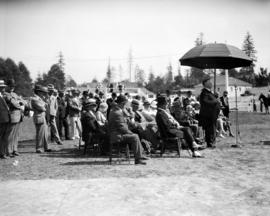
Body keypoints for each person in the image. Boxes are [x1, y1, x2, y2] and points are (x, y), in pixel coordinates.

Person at [108, 95, 148, 165]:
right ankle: (138, 159)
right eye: (125, 103)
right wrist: (130, 133)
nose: (126, 105)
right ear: (123, 103)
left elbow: (123, 124)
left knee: (135, 135)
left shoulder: (115, 110)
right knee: (135, 136)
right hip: (117, 136)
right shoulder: (117, 113)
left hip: (116, 134)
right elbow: (122, 128)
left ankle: (140, 155)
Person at [3, 79, 26, 157]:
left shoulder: (14, 94)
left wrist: (19, 102)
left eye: (13, 86)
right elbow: (14, 104)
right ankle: (8, 151)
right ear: (7, 86)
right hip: (12, 117)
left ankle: (14, 149)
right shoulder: (5, 94)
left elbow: (24, 102)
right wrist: (19, 102)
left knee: (16, 135)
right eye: (11, 86)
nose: (12, 87)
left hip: (18, 116)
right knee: (10, 135)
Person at [199, 77, 220, 148]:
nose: (211, 83)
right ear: (205, 84)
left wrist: (215, 96)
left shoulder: (210, 92)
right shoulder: (204, 93)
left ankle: (212, 142)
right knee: (209, 130)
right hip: (207, 115)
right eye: (209, 82)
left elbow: (212, 99)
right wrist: (215, 101)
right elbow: (205, 102)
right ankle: (210, 143)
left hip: (212, 114)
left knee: (212, 129)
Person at [31, 85, 52, 153]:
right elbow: (42, 108)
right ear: (38, 92)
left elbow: (47, 105)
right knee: (40, 133)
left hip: (43, 117)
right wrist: (44, 105)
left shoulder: (40, 99)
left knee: (45, 133)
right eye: (42, 92)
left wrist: (44, 103)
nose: (44, 93)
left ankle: (46, 147)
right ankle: (39, 148)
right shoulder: (35, 99)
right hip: (39, 117)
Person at [0, 80, 10, 159]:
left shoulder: (2, 96)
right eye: (2, 87)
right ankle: (2, 153)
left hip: (5, 119)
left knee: (5, 136)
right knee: (2, 137)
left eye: (4, 87)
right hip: (2, 119)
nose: (4, 89)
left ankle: (4, 152)